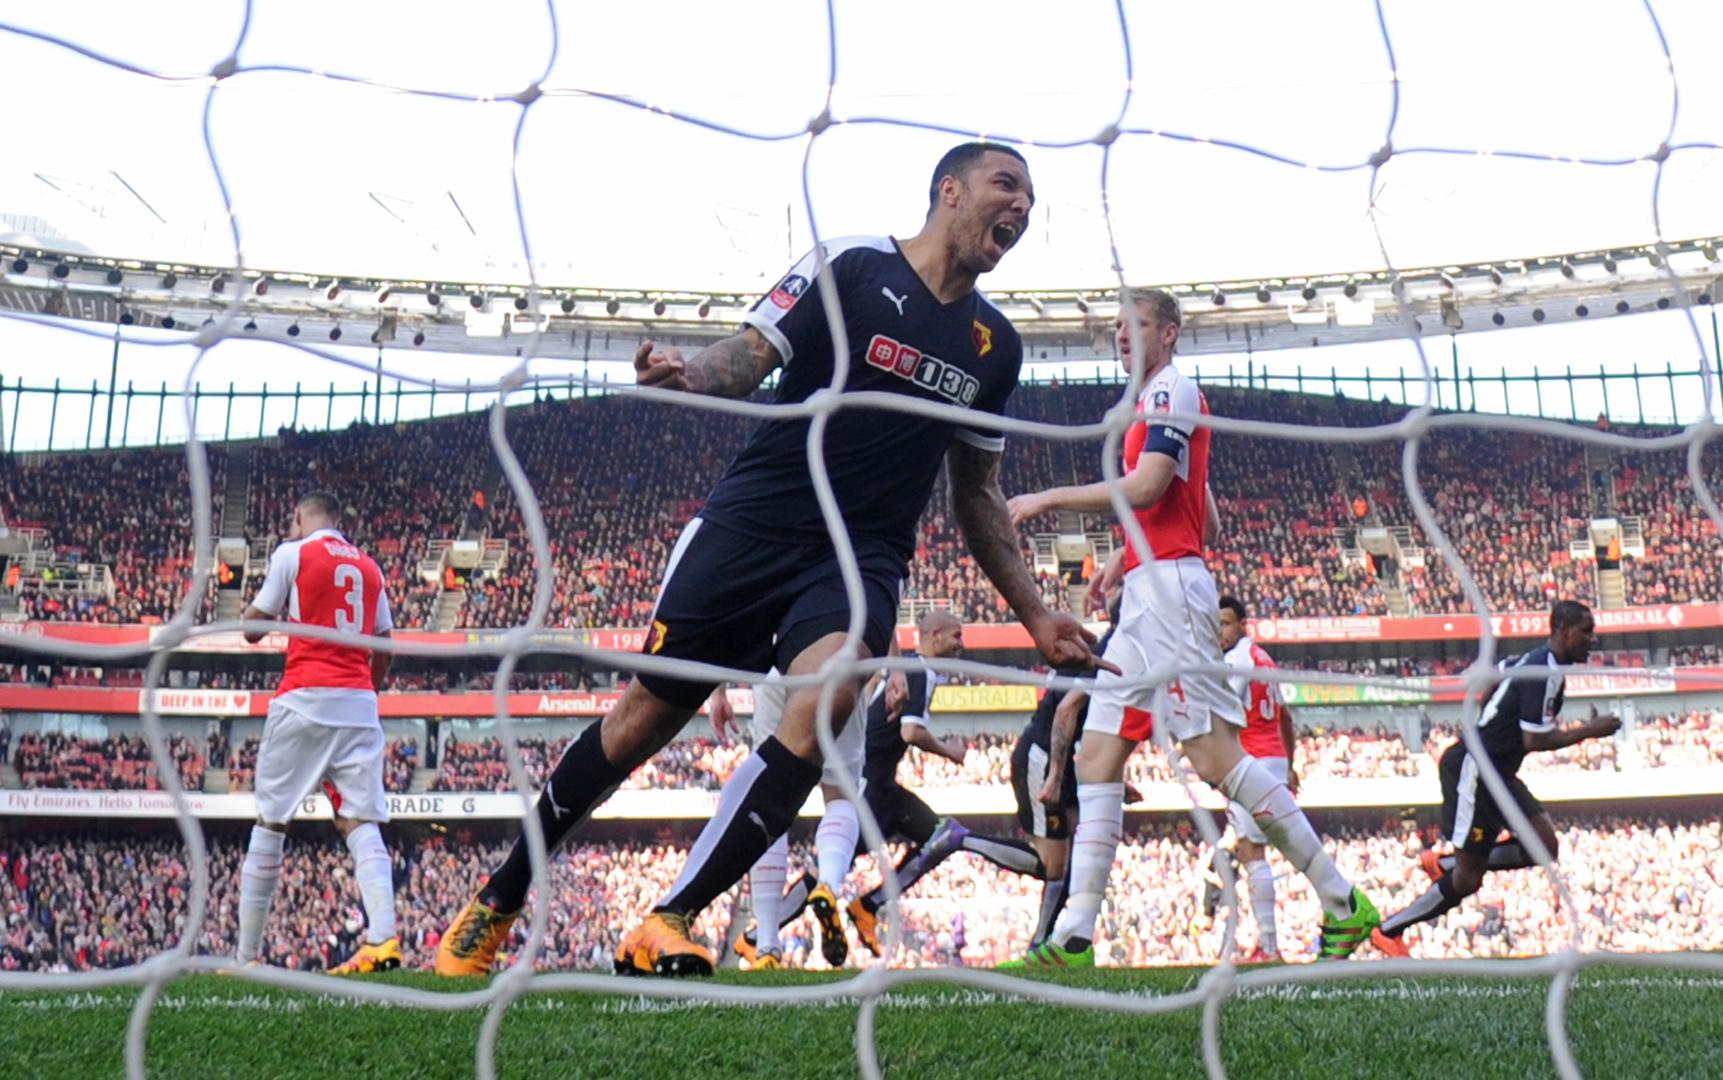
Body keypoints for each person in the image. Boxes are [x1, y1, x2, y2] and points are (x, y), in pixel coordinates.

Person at [435, 142, 1109, 979]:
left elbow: (976, 493)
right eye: (1006, 185)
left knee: (827, 699)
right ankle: (498, 901)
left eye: (1031, 199)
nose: (1022, 207)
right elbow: (750, 356)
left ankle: (668, 919)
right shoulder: (853, 268)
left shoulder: (993, 347)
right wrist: (687, 377)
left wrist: (1035, 613)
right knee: (641, 721)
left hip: (861, 557)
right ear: (948, 190)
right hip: (757, 523)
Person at [1003, 288, 1379, 968]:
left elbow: (1149, 489)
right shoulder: (1152, 401)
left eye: (1137, 324)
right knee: (1097, 755)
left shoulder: (1171, 391)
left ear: (1169, 333)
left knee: (1212, 758)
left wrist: (1050, 497)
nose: (1123, 336)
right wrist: (1124, 556)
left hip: (1172, 594)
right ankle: (1073, 937)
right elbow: (1205, 518)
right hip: (1149, 592)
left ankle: (1343, 902)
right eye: (1118, 327)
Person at [1371, 601, 1618, 957]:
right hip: (1477, 770)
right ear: (1562, 630)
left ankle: (1444, 863)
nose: (1592, 640)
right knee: (1467, 880)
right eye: (1586, 631)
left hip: (1497, 772)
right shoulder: (1543, 671)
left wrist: (1489, 721)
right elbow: (1534, 740)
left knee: (1544, 846)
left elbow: (1491, 677)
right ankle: (1387, 930)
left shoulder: (1532, 661)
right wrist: (1590, 730)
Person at [234, 491, 400, 974]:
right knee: (358, 820)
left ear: (299, 518)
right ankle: (383, 939)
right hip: (358, 704)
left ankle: (246, 958)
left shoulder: (294, 553)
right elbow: (385, 647)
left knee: (271, 821)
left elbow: (252, 630)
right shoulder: (370, 567)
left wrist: (255, 610)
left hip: (304, 698)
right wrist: (368, 690)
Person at [843, 611, 1053, 958]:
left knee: (940, 836)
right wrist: (949, 751)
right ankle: (759, 937)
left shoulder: (913, 669)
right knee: (836, 860)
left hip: (882, 784)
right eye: (956, 636)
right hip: (870, 782)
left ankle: (868, 905)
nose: (961, 644)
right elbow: (910, 732)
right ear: (934, 634)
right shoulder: (918, 671)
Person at [716, 666, 870, 971]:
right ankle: (827, 884)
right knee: (841, 797)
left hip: (778, 672)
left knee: (770, 803)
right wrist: (893, 672)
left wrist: (719, 691)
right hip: (838, 664)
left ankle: (766, 945)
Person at [1207, 594, 1297, 963]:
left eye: (1226, 623)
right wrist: (1290, 764)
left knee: (1252, 851)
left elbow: (1220, 713)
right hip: (1273, 758)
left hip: (1251, 761)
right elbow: (1285, 716)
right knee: (1277, 848)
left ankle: (1269, 946)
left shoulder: (1236, 661)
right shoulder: (1264, 659)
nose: (1220, 631)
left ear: (1242, 625)